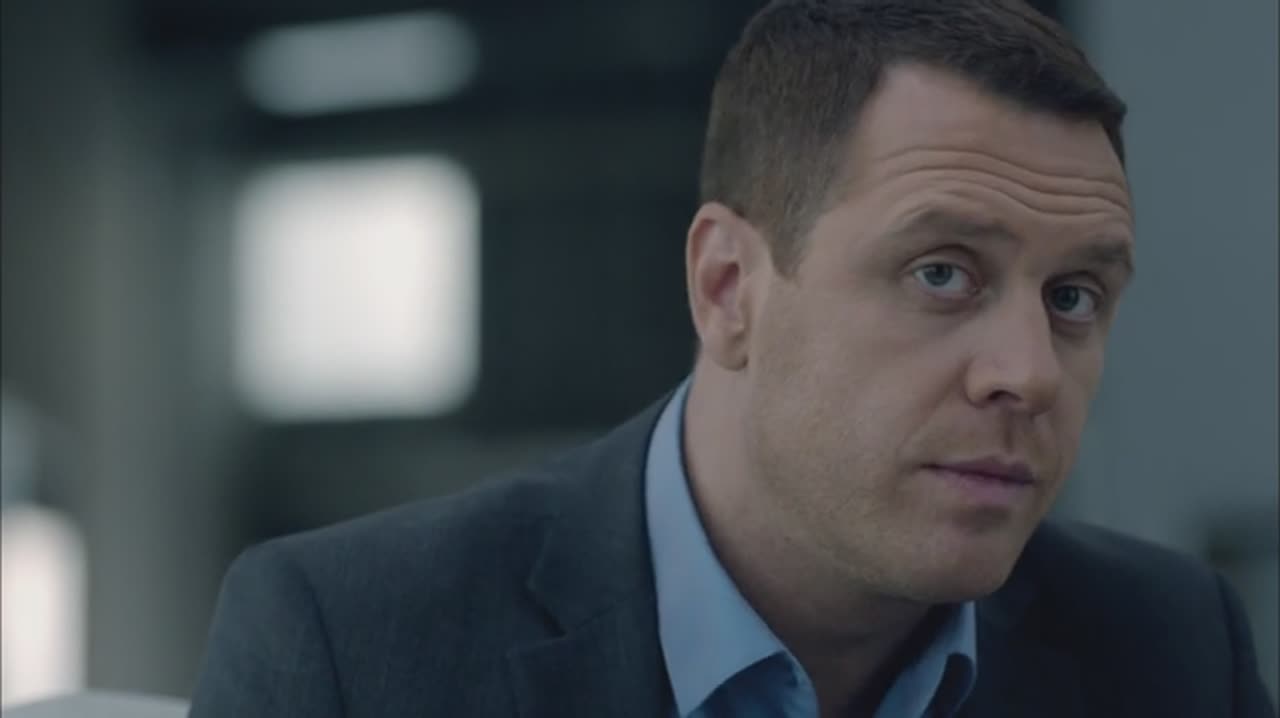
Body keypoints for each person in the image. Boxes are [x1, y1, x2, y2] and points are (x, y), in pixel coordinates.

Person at [190, 1, 1276, 716]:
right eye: (941, 273)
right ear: (727, 289)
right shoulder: (354, 649)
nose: (1028, 373)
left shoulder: (1171, 651)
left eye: (1073, 296)